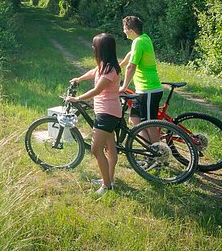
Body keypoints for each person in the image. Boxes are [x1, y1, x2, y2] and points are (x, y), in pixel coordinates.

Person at [68, 33, 122, 195]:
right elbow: (94, 72)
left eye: (94, 46)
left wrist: (77, 98)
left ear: (101, 49)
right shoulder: (105, 65)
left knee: (96, 149)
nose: (93, 48)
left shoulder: (110, 69)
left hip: (107, 113)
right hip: (107, 111)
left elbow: (97, 90)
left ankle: (106, 186)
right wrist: (79, 79)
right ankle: (109, 179)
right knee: (110, 147)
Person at [118, 15, 162, 143]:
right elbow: (131, 54)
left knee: (148, 124)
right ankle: (150, 148)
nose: (123, 31)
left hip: (148, 89)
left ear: (131, 30)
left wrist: (124, 87)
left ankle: (159, 151)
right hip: (142, 90)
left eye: (124, 28)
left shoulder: (138, 41)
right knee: (134, 120)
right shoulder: (144, 38)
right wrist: (118, 66)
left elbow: (131, 67)